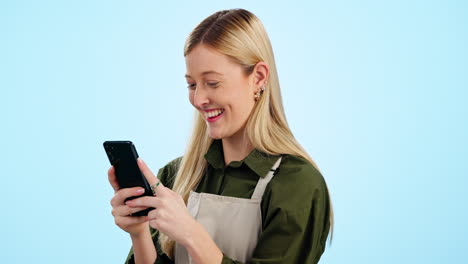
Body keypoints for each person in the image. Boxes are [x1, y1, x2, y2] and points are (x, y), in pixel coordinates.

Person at [108, 8, 333, 264]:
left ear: (258, 77)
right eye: (192, 85)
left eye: (212, 83)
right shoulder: (175, 176)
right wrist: (139, 235)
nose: (199, 99)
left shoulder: (297, 184)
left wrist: (192, 235)